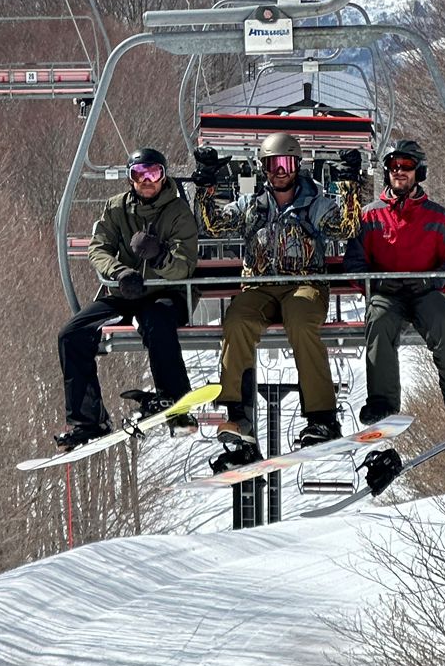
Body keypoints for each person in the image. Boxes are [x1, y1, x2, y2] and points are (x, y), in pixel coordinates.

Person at [209, 130, 351, 466]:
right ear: (264, 169)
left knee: (301, 321)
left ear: (297, 165)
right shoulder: (252, 206)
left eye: (286, 163)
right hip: (259, 285)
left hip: (304, 282)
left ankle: (322, 417)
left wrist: (350, 185)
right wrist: (206, 187)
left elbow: (346, 228)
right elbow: (215, 225)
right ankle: (238, 416)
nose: (280, 170)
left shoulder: (315, 204)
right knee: (238, 321)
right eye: (272, 164)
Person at [55, 146, 199, 449]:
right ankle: (88, 420)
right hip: (124, 292)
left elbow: (184, 266)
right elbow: (99, 247)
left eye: (154, 173)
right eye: (139, 174)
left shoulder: (178, 213)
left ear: (163, 176)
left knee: (156, 321)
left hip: (165, 293)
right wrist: (120, 272)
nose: (147, 180)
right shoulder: (116, 207)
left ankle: (176, 402)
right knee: (72, 334)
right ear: (129, 178)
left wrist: (159, 257)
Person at [347, 138, 445, 430]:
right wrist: (375, 285)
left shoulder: (439, 218)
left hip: (427, 291)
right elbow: (355, 262)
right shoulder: (370, 216)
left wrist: (432, 280)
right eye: (393, 166)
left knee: (442, 320)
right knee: (379, 319)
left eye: (406, 166)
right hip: (387, 293)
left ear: (419, 171)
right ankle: (383, 402)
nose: (399, 172)